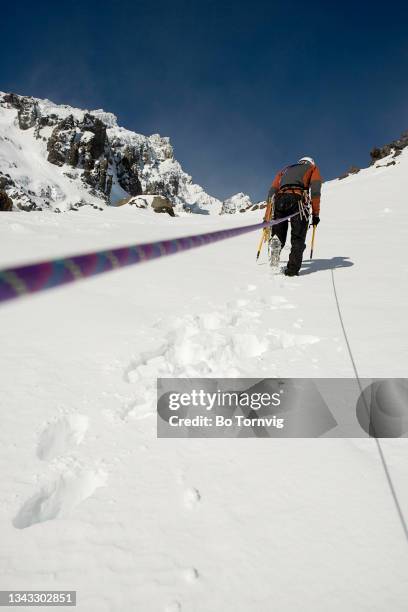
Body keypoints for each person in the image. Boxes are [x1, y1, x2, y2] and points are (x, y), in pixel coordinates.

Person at [263, 157, 322, 276]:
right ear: (310, 162)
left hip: (279, 200)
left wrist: (267, 216)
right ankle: (292, 270)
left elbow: (272, 191)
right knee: (298, 238)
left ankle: (276, 243)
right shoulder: (312, 168)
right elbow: (315, 190)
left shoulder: (285, 170)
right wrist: (315, 214)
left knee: (278, 234)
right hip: (298, 201)